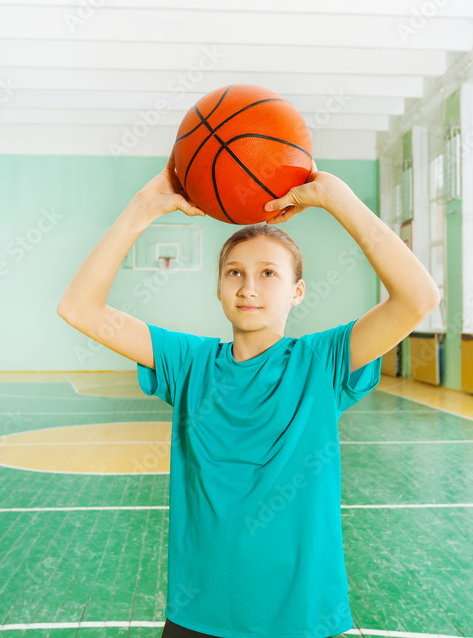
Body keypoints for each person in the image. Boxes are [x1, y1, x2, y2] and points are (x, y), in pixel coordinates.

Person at [58, 154, 441, 638]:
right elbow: (79, 307)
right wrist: (142, 208)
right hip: (199, 616)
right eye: (234, 273)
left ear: (297, 292)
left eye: (268, 273)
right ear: (218, 288)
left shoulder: (322, 363)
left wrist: (338, 200)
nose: (249, 287)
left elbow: (419, 297)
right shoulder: (188, 362)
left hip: (299, 618)